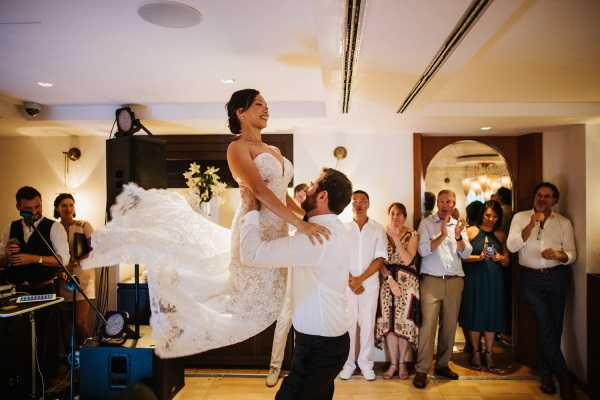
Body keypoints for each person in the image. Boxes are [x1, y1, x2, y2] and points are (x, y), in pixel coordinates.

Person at [82, 89, 329, 358]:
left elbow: (281, 193)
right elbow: (259, 190)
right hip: (253, 228)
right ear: (240, 112)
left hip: (278, 229)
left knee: (276, 296)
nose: (266, 109)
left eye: (267, 105)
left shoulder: (276, 150)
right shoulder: (237, 148)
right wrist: (301, 225)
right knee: (246, 302)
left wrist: (303, 218)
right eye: (259, 104)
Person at [239, 167, 353, 400]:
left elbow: (252, 254)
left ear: (322, 197)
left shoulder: (318, 238)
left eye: (312, 185)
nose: (305, 190)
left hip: (318, 348)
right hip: (329, 343)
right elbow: (301, 218)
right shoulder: (332, 228)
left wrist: (251, 208)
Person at [507, 182, 576, 400]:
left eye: (547, 196)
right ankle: (564, 377)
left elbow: (572, 253)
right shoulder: (520, 217)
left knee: (555, 326)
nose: (542, 199)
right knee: (545, 323)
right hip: (530, 279)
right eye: (539, 195)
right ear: (534, 197)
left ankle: (546, 374)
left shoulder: (564, 222)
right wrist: (530, 225)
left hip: (556, 277)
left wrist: (559, 255)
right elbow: (512, 246)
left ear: (554, 200)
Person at [0, 186, 70, 379]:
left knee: (43, 339)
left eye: (38, 206)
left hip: (44, 290)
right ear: (18, 206)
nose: (35, 212)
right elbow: (1, 260)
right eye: (28, 209)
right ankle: (20, 379)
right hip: (16, 292)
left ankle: (44, 380)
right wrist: (6, 254)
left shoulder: (53, 227)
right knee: (18, 340)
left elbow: (63, 260)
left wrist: (33, 258)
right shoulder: (10, 227)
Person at [413, 189, 472, 389]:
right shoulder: (426, 224)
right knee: (427, 327)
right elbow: (423, 250)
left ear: (454, 204)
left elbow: (466, 254)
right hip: (431, 281)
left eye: (450, 201)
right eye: (442, 201)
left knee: (449, 326)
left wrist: (457, 237)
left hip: (455, 281)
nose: (446, 205)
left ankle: (442, 365)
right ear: (438, 203)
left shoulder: (459, 225)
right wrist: (442, 236)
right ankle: (421, 370)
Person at [339, 190, 387, 381]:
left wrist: (360, 279)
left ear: (368, 204)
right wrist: (351, 280)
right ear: (351, 205)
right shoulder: (343, 228)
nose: (358, 204)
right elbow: (338, 258)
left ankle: (366, 365)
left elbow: (380, 258)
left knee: (367, 325)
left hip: (369, 285)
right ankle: (348, 365)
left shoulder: (378, 228)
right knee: (348, 326)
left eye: (363, 201)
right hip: (347, 285)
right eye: (355, 201)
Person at [266, 182, 309, 387]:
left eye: (305, 194)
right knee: (283, 323)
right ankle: (274, 368)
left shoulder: (310, 220)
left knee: (305, 328)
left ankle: (299, 369)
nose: (302, 197)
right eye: (299, 194)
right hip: (287, 276)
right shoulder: (285, 216)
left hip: (306, 280)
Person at [460, 201, 509, 371]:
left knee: (492, 315)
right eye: (488, 215)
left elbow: (507, 261)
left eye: (495, 216)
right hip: (475, 278)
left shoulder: (501, 235)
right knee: (475, 314)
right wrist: (478, 257)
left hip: (495, 279)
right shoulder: (472, 231)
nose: (491, 219)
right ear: (482, 214)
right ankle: (475, 352)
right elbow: (461, 257)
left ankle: (489, 353)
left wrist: (500, 258)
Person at [375, 202, 419, 380]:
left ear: (404, 217)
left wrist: (396, 239)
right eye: (393, 213)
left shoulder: (413, 234)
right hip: (387, 281)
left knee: (403, 324)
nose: (396, 217)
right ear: (389, 214)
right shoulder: (380, 234)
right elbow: (379, 261)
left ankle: (402, 365)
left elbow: (408, 259)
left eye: (399, 214)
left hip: (408, 283)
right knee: (390, 325)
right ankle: (392, 364)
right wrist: (390, 280)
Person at [54, 193, 96, 342]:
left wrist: (78, 260)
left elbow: (94, 249)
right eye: (64, 205)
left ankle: (87, 354)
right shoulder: (53, 228)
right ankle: (70, 358)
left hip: (83, 280)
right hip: (62, 281)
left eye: (71, 205)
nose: (68, 208)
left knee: (80, 322)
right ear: (57, 208)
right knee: (65, 324)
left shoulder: (84, 225)